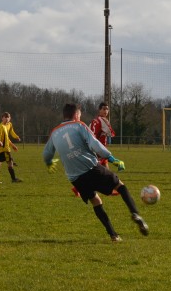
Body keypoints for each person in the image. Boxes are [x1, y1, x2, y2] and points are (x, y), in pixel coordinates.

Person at [43, 103, 148, 242]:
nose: (80, 116)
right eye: (79, 114)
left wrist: (49, 162)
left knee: (96, 201)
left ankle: (113, 235)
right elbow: (94, 144)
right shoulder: (79, 125)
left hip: (75, 178)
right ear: (75, 115)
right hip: (91, 169)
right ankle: (135, 214)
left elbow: (46, 153)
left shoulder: (55, 132)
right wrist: (111, 158)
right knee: (121, 187)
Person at [0, 112, 21, 184]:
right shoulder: (1, 127)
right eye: (5, 117)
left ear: (10, 118)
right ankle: (13, 178)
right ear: (2, 118)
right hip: (4, 148)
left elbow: (11, 133)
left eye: (8, 117)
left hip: (5, 148)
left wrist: (16, 137)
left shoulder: (9, 124)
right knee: (10, 163)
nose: (6, 118)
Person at [89, 102, 116, 168]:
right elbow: (111, 133)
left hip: (98, 150)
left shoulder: (96, 121)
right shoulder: (101, 120)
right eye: (104, 109)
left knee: (107, 175)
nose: (106, 111)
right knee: (105, 175)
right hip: (99, 152)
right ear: (99, 110)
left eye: (107, 109)